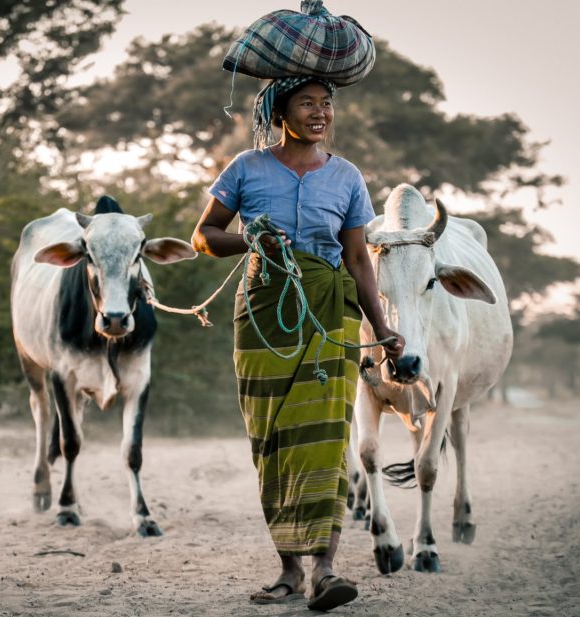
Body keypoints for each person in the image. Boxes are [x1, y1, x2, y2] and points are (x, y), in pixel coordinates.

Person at [191, 76, 404, 611]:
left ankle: (325, 570)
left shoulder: (347, 177)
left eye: (326, 103)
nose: (319, 112)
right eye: (306, 102)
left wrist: (382, 330)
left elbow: (357, 260)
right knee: (273, 443)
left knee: (326, 439)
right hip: (264, 316)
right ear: (278, 110)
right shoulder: (246, 168)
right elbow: (204, 236)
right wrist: (250, 238)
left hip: (330, 315)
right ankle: (288, 569)